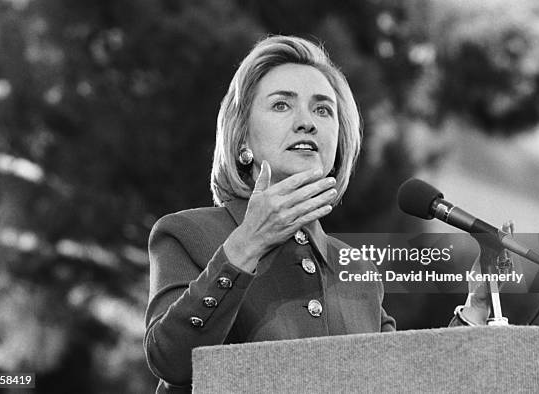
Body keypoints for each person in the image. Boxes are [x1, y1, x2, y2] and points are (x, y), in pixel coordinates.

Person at [144, 35, 487, 393]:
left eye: (323, 109)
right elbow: (170, 360)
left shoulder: (360, 273)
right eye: (281, 105)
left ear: (338, 146)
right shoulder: (185, 234)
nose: (307, 122)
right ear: (241, 138)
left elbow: (405, 385)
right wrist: (248, 243)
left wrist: (473, 313)